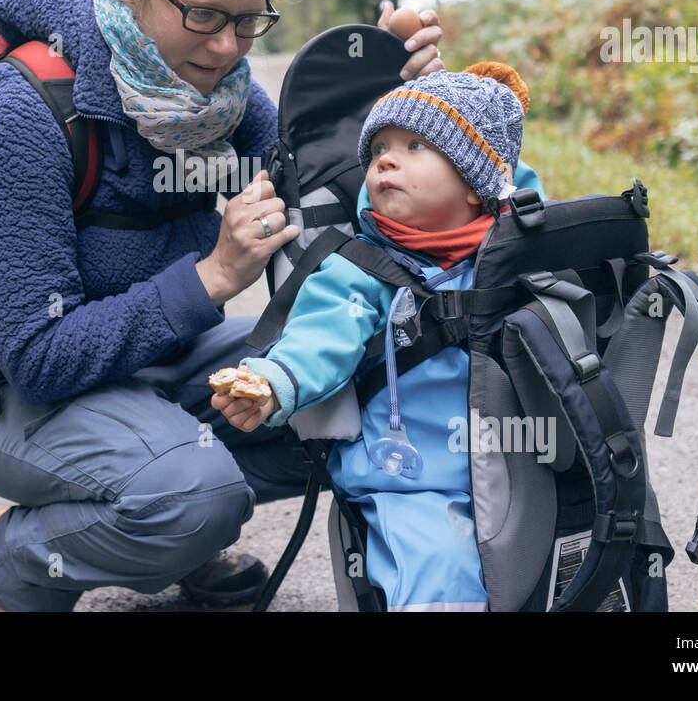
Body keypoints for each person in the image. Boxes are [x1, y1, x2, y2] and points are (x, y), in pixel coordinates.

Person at [0, 0, 446, 611]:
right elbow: (36, 359)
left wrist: (398, 100)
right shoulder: (24, 108)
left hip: (157, 369)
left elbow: (335, 201)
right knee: (193, 495)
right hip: (5, 400)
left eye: (248, 21)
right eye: (202, 15)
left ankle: (176, 518)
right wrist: (211, 278)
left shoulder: (220, 99)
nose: (229, 47)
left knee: (358, 390)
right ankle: (21, 562)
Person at [216, 61, 544, 610]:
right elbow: (321, 334)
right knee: (440, 579)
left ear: (475, 183)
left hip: (522, 463)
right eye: (378, 149)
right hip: (414, 479)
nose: (385, 159)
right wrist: (273, 381)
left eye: (416, 146)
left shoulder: (521, 255)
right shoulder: (362, 269)